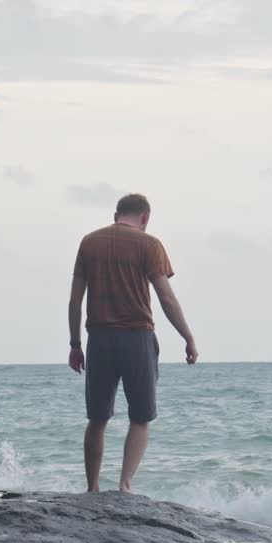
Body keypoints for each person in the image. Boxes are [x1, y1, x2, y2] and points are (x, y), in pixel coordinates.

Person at [68, 193, 198, 493]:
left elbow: (76, 299)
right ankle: (125, 485)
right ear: (145, 218)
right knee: (140, 417)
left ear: (116, 214)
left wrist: (75, 344)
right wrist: (187, 337)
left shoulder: (89, 242)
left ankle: (93, 488)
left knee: (97, 418)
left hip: (99, 338)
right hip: (137, 337)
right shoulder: (149, 244)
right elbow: (166, 298)